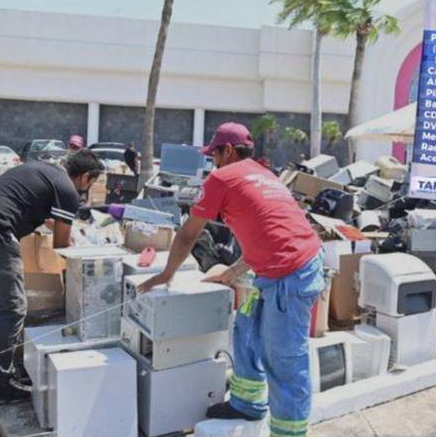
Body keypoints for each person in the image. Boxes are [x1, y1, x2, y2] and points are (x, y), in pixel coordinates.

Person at [138, 123, 323, 437]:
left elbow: (187, 235)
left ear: (229, 151)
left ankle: (290, 432)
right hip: (278, 267)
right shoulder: (266, 175)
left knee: (284, 358)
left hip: (291, 273)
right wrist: (229, 274)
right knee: (246, 331)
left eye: (216, 155)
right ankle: (247, 403)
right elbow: (265, 237)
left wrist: (165, 274)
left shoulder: (222, 178)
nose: (214, 162)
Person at [0, 150, 104, 404]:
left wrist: (68, 230)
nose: (90, 188)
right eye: (92, 182)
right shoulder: (68, 190)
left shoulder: (43, 171)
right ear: (86, 177)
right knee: (12, 309)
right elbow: (62, 245)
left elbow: (44, 216)